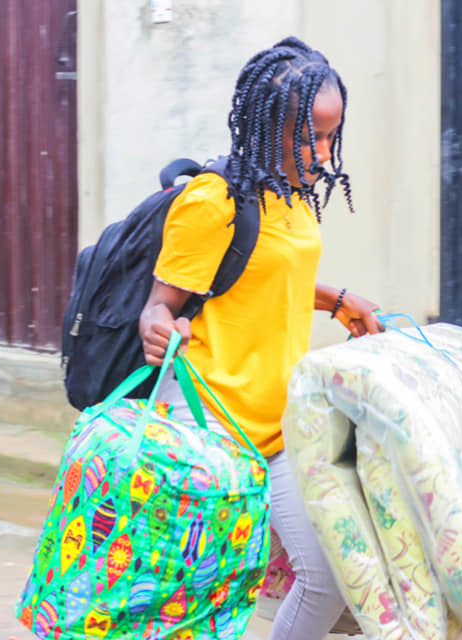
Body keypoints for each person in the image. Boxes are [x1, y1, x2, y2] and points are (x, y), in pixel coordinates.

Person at [138, 37, 382, 640]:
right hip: (208, 423)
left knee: (326, 577)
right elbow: (160, 304)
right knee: (191, 593)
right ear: (268, 126)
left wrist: (338, 299)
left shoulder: (294, 194)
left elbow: (270, 275)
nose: (324, 154)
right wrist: (159, 328)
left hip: (278, 425)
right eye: (311, 137)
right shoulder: (212, 200)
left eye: (331, 137)